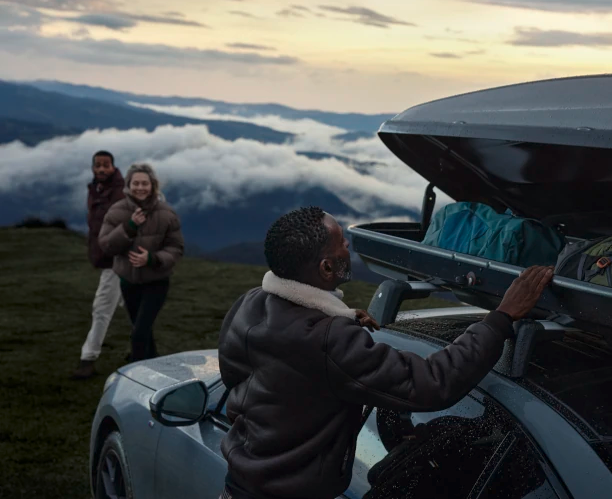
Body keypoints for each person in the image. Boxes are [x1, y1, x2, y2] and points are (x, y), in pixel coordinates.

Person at [217, 206, 553, 499]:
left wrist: (342, 319)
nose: (347, 246)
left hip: (239, 486)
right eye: (340, 244)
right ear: (325, 269)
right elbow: (433, 382)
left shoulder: (251, 303)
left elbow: (236, 376)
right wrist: (502, 317)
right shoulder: (329, 340)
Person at [98, 163, 184, 362]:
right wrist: (129, 227)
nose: (140, 187)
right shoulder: (116, 212)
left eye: (145, 183)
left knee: (139, 334)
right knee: (143, 331)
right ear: (128, 186)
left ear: (153, 185)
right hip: (128, 283)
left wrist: (152, 259)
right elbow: (106, 246)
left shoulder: (167, 214)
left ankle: (136, 371)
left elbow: (176, 248)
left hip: (157, 282)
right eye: (135, 183)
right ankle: (154, 363)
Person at [71, 150, 127, 380]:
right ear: (93, 168)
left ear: (113, 167)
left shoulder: (121, 192)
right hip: (107, 257)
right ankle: (142, 348)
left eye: (106, 165)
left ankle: (88, 358)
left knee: (102, 307)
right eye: (98, 165)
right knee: (131, 304)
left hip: (117, 259)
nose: (102, 169)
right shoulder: (96, 189)